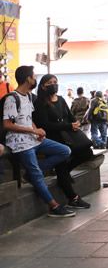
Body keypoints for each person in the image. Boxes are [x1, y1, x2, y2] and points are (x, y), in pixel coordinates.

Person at [2, 66, 76, 217]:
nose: (35, 79)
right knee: (36, 174)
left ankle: (32, 173)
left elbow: (29, 120)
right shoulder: (12, 98)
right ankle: (54, 206)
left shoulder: (29, 96)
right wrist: (33, 131)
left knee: (64, 151)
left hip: (33, 139)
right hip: (19, 142)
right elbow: (7, 124)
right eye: (33, 76)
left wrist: (37, 132)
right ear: (27, 78)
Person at [33, 74, 92, 210]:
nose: (54, 84)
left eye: (55, 82)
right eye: (50, 82)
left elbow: (70, 116)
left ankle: (64, 173)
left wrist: (75, 123)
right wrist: (67, 126)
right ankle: (73, 198)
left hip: (68, 137)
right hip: (52, 139)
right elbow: (44, 125)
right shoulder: (39, 103)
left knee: (86, 153)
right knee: (61, 165)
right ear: (43, 86)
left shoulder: (61, 99)